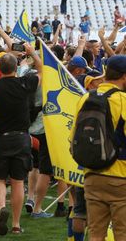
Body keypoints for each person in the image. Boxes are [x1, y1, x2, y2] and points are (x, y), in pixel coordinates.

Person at [0, 49, 41, 235]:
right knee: (17, 182)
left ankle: (2, 207)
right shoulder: (25, 83)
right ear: (16, 67)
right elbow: (41, 70)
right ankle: (16, 224)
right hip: (21, 138)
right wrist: (32, 52)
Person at [72, 55, 126, 241]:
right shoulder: (123, 100)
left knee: (95, 233)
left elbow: (72, 139)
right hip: (121, 176)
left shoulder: (85, 98)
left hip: (92, 174)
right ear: (124, 77)